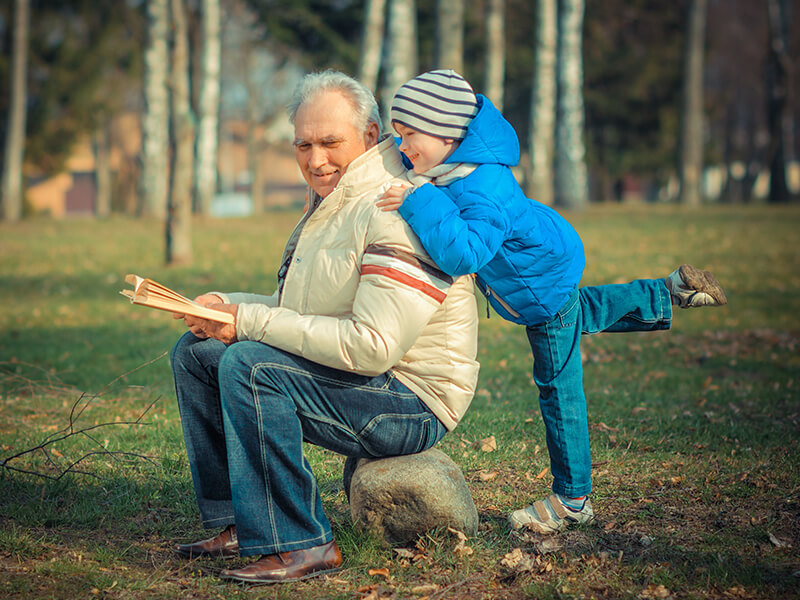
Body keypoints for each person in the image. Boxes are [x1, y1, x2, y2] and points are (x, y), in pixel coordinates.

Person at [377, 69, 727, 535]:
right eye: (397, 136)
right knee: (582, 312)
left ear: (444, 130)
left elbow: (464, 253)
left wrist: (417, 199)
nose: (402, 147)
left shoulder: (481, 186)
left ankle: (573, 498)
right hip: (547, 269)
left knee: (559, 389)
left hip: (539, 285)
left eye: (408, 135)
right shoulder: (450, 165)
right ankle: (668, 292)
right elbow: (425, 176)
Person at [169, 70, 480, 584]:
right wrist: (228, 307)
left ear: (373, 133)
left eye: (331, 143)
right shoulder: (332, 202)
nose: (316, 160)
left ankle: (300, 542)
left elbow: (373, 347)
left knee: (250, 364)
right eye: (303, 144)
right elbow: (306, 310)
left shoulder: (395, 205)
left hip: (413, 399)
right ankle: (235, 522)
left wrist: (248, 323)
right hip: (367, 379)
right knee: (198, 353)